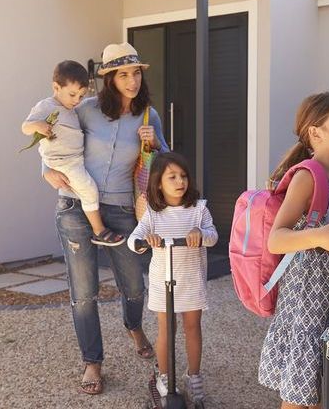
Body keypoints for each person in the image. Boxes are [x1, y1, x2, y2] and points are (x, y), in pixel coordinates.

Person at [44, 42, 169, 395]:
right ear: (109, 78)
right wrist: (45, 170)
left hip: (122, 209)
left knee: (133, 286)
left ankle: (134, 326)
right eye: (123, 74)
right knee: (84, 292)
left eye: (136, 73)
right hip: (75, 206)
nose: (131, 81)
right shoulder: (83, 110)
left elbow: (168, 163)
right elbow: (51, 139)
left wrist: (155, 144)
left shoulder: (149, 115)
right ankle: (93, 362)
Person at [257, 92, 329, 409]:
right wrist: (322, 238)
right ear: (316, 132)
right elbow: (277, 239)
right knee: (299, 393)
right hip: (308, 298)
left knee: (324, 386)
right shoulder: (307, 176)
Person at [128, 152, 217, 404]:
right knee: (166, 329)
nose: (180, 181)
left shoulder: (198, 210)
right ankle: (165, 377)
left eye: (184, 176)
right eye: (172, 177)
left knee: (192, 327)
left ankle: (194, 376)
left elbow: (213, 237)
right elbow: (133, 239)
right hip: (162, 281)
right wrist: (146, 242)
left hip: (190, 280)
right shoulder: (154, 214)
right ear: (158, 182)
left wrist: (199, 233)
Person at [23, 60, 125, 247]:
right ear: (56, 87)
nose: (77, 100)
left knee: (86, 189)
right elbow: (26, 127)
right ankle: (99, 230)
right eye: (72, 94)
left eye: (81, 95)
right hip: (64, 162)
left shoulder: (73, 108)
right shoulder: (46, 106)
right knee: (88, 190)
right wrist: (38, 126)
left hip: (74, 159)